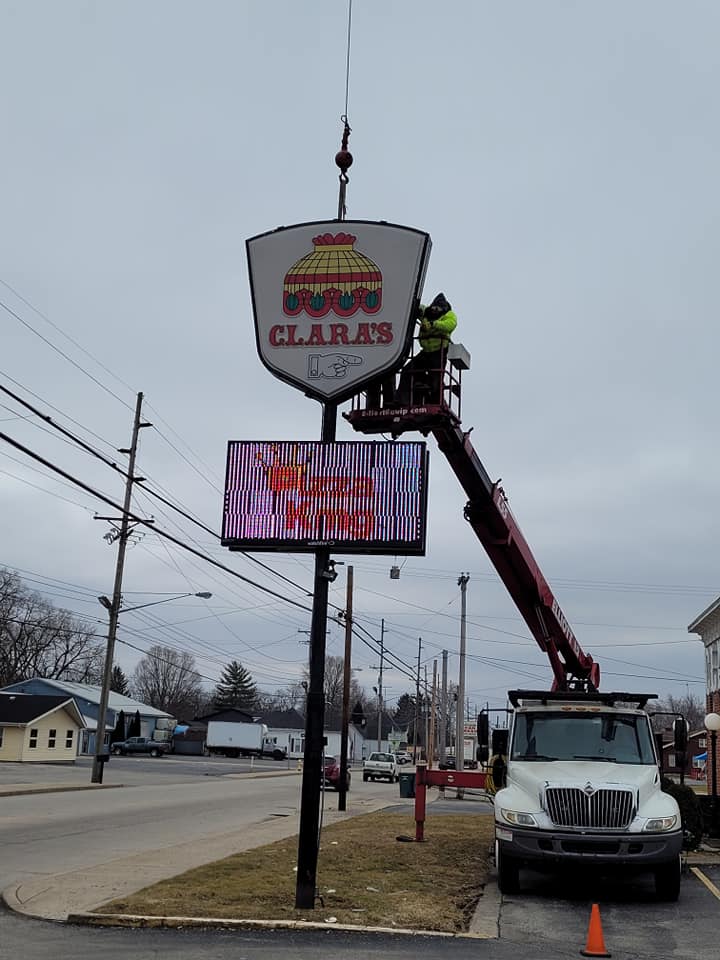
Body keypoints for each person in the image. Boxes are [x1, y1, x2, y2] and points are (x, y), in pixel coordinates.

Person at [396, 292, 457, 406]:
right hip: (425, 352)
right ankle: (401, 400)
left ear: (443, 308)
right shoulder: (426, 312)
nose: (434, 310)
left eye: (437, 308)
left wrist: (433, 324)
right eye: (433, 307)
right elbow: (419, 308)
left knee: (436, 380)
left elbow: (450, 325)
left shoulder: (449, 315)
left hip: (438, 352)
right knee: (408, 370)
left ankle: (435, 403)